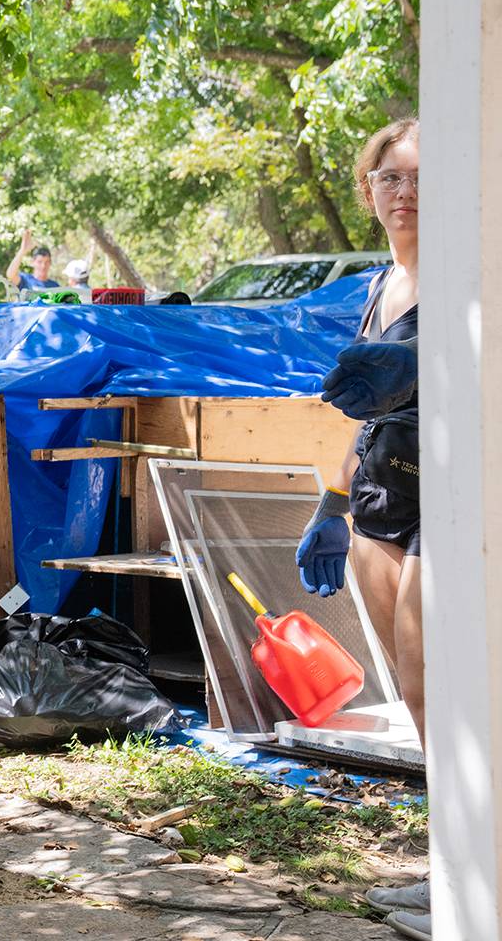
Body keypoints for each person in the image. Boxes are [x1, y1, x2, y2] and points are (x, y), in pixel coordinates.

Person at [293, 117, 424, 940]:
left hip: (448, 500)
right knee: (415, 700)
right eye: (391, 178)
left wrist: (421, 379)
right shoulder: (379, 287)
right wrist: (332, 508)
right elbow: (367, 416)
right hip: (380, 500)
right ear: (368, 190)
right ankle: (454, 865)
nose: (406, 193)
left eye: (422, 179)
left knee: (439, 679)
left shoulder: (473, 274)